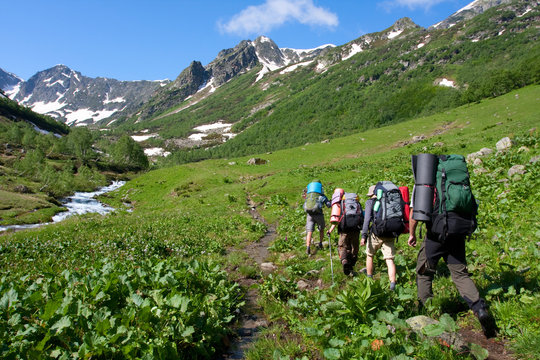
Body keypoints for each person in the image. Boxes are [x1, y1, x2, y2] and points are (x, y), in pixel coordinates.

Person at [408, 193, 497, 338]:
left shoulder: (426, 178)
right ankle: (480, 309)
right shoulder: (456, 177)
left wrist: (412, 233)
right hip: (456, 232)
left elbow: (415, 212)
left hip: (434, 235)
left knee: (424, 272)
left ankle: (429, 312)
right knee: (461, 275)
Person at [361, 185, 397, 290]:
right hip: (389, 232)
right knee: (389, 259)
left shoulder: (370, 202)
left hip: (376, 233)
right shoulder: (388, 200)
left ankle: (369, 279)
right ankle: (392, 284)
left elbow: (367, 219)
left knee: (370, 255)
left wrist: (364, 235)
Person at [327, 192, 363, 275]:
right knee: (354, 247)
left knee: (343, 246)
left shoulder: (341, 205)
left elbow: (336, 219)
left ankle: (344, 261)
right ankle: (352, 263)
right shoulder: (357, 205)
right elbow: (362, 216)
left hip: (344, 230)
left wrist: (330, 230)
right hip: (356, 229)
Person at [303, 180, 331, 255]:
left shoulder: (309, 196)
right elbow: (328, 205)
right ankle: (320, 244)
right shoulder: (321, 196)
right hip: (319, 215)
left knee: (309, 231)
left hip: (310, 215)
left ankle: (308, 247)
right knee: (321, 229)